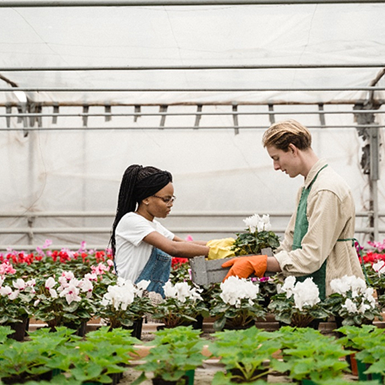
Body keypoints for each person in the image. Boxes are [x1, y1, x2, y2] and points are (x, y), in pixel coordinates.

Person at [223, 119, 364, 299]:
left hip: (332, 294)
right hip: (309, 291)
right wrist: (257, 260)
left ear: (292, 149)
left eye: (276, 158)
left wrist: (262, 263)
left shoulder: (326, 190)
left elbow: (312, 255)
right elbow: (290, 243)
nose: (276, 166)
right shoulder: (307, 188)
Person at [110, 164, 210, 297]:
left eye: (172, 199)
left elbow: (184, 244)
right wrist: (217, 251)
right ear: (146, 199)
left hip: (152, 301)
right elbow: (173, 248)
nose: (171, 204)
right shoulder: (131, 221)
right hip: (132, 303)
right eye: (166, 199)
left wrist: (229, 245)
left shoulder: (154, 226)